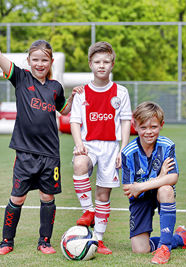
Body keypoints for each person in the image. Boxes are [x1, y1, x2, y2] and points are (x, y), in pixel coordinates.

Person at [0, 12, 78, 256]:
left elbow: (64, 111)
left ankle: (44, 241)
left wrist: (75, 98)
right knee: (18, 198)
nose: (39, 64)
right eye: (35, 59)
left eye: (44, 60)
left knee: (47, 197)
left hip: (50, 154)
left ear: (51, 61)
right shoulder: (21, 78)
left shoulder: (55, 87)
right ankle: (6, 241)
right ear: (29, 60)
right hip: (25, 153)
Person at [121, 101, 186, 264]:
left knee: (166, 190)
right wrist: (159, 177)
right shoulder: (127, 152)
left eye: (153, 127)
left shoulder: (167, 145)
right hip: (140, 199)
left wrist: (143, 185)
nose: (149, 132)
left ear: (161, 125)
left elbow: (172, 177)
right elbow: (129, 189)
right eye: (143, 127)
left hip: (157, 191)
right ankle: (180, 238)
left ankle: (164, 247)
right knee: (140, 249)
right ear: (135, 126)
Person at [70, 41, 132, 254]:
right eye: (97, 61)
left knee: (103, 194)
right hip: (88, 144)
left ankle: (98, 239)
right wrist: (79, 145)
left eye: (106, 61)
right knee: (79, 164)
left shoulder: (121, 92)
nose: (101, 65)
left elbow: (125, 122)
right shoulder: (82, 93)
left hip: (111, 148)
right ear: (90, 63)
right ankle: (88, 211)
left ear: (112, 64)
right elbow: (74, 122)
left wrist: (122, 150)